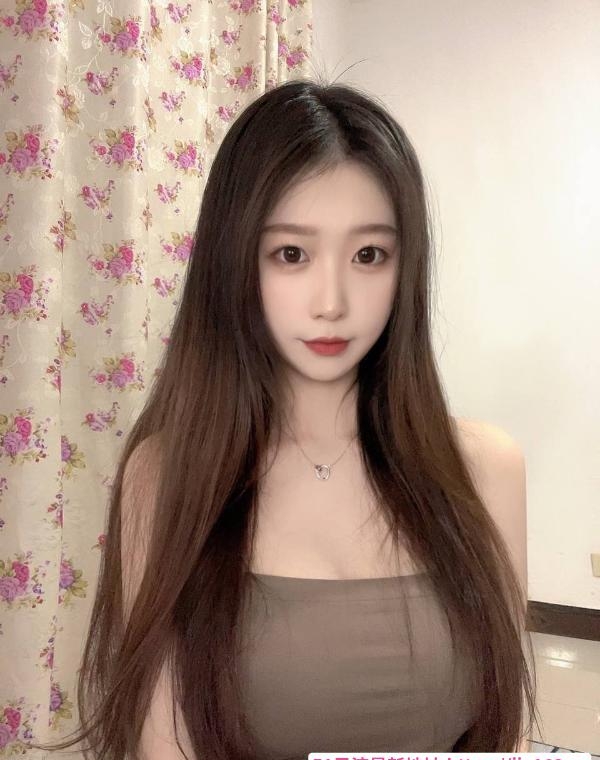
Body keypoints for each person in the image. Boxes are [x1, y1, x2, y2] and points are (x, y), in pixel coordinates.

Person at [32, 77, 539, 759]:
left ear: (405, 267)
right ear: (236, 263)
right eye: (292, 254)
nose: (332, 301)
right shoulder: (169, 476)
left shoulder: (485, 469)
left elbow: (507, 733)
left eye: (368, 255)